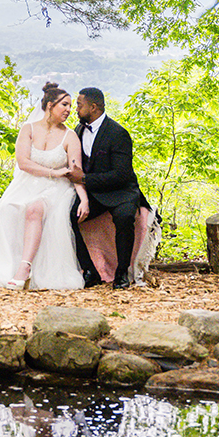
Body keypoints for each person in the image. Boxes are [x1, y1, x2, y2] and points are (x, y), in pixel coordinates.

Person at [0, 83, 87, 290]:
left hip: (56, 189)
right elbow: (23, 163)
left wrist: (84, 199)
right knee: (3, 208)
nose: (69, 110)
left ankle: (24, 268)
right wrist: (53, 171)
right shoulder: (29, 129)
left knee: (35, 208)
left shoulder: (70, 136)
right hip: (27, 183)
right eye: (64, 105)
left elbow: (75, 173)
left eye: (71, 105)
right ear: (50, 105)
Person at [67, 87, 150, 289]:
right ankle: (89, 271)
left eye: (79, 105)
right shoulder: (78, 130)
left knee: (124, 218)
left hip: (122, 191)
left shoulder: (118, 133)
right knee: (69, 215)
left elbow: (121, 175)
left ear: (93, 107)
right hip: (95, 193)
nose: (75, 109)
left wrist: (85, 178)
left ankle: (122, 272)